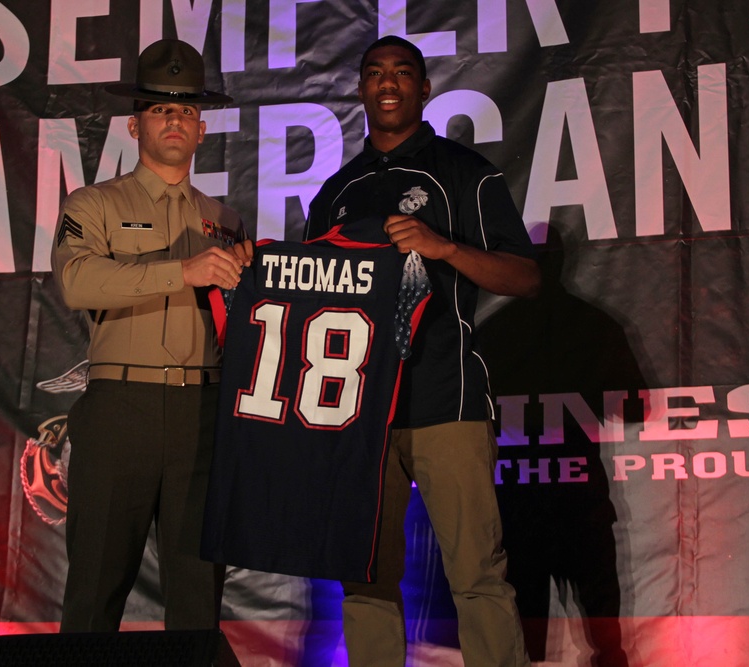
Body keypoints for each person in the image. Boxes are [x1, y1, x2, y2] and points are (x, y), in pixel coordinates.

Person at [304, 35, 541, 666]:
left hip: (447, 401)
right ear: (358, 89)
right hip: (359, 417)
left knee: (478, 575)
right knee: (364, 576)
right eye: (375, 73)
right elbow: (309, 305)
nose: (388, 83)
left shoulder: (465, 172)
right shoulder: (335, 191)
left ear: (424, 88)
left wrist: (446, 248)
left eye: (402, 72)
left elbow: (526, 277)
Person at [51, 38, 252, 633]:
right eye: (161, 109)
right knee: (93, 594)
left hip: (203, 411)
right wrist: (181, 271)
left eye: (186, 110)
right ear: (135, 126)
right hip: (122, 408)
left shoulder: (227, 220)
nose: (175, 120)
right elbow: (77, 281)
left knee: (198, 602)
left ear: (201, 130)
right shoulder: (93, 204)